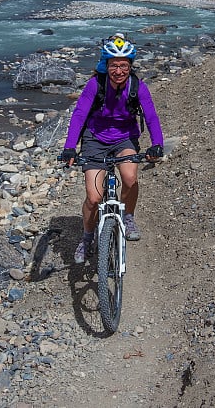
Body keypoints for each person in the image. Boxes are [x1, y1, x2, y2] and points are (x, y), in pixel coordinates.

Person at [61, 33, 165, 264]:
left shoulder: (138, 87)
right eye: (114, 66)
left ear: (130, 66)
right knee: (94, 197)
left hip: (125, 139)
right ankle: (87, 238)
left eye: (124, 66)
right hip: (95, 139)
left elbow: (151, 117)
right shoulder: (94, 84)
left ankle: (128, 216)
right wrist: (70, 148)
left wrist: (157, 144)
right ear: (106, 65)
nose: (119, 71)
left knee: (129, 178)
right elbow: (79, 116)